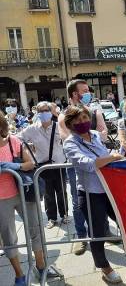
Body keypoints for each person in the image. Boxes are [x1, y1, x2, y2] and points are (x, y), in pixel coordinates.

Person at [63, 105, 126, 284]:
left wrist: (114, 156)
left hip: (110, 189)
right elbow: (88, 164)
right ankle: (104, 267)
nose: (83, 122)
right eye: (78, 120)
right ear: (71, 124)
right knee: (97, 232)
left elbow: (104, 155)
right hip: (90, 193)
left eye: (85, 118)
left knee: (125, 222)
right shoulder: (70, 143)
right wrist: (111, 158)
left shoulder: (95, 135)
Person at [0, 111, 59, 285]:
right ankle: (19, 274)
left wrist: (13, 166)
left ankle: (41, 267)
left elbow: (30, 164)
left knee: (36, 229)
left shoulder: (13, 141)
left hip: (24, 193)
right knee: (9, 237)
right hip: (2, 200)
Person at [58, 79, 110, 256]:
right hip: (79, 167)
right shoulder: (63, 116)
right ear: (74, 94)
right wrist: (96, 156)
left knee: (104, 203)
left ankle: (105, 232)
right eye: (84, 90)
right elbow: (68, 139)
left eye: (88, 90)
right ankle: (82, 236)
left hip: (101, 166)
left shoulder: (94, 110)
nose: (88, 93)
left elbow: (102, 134)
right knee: (79, 202)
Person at [18, 101, 68, 229]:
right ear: (37, 113)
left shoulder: (59, 127)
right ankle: (51, 218)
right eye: (40, 111)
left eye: (46, 110)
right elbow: (18, 140)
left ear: (51, 112)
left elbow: (68, 139)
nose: (43, 113)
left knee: (61, 191)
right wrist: (27, 147)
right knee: (48, 193)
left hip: (59, 165)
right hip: (42, 167)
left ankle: (65, 215)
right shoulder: (32, 129)